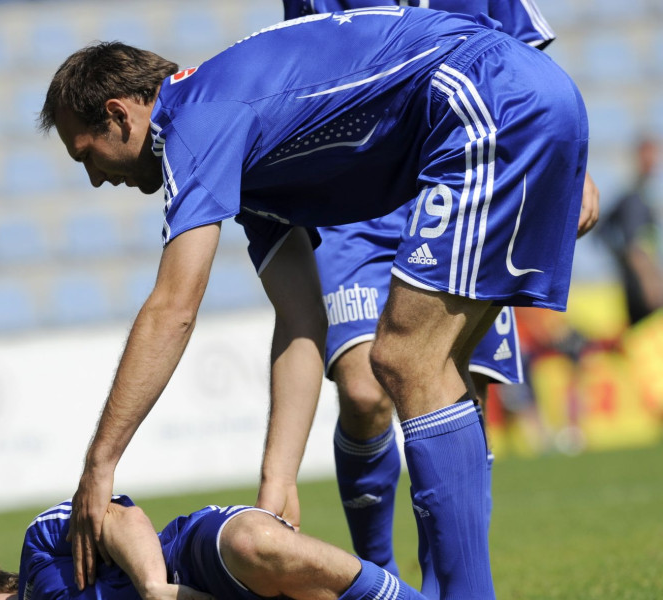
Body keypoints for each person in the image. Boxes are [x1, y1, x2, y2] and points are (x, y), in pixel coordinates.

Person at [37, 7, 590, 598]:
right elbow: (302, 319)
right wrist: (278, 481)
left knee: (407, 359)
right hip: (509, 96)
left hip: (487, 98)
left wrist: (100, 464)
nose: (95, 178)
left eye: (85, 153)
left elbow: (174, 308)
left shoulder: (196, 120)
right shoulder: (238, 151)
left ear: (119, 115)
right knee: (428, 364)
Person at [280, 0, 598, 586]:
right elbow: (305, 58)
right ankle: (378, 573)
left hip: (465, 169)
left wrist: (568, 165)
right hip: (354, 201)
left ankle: (443, 585)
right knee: (363, 389)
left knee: (458, 384)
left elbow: (521, 49)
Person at [0, 494, 427, 600]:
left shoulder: (38, 550)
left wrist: (155, 588)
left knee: (255, 544)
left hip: (183, 562)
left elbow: (115, 516)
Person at [600, 136, 662, 326]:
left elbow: (602, 230)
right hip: (643, 289)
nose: (654, 160)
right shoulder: (635, 200)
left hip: (638, 285)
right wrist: (650, 283)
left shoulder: (635, 196)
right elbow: (636, 249)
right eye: (649, 154)